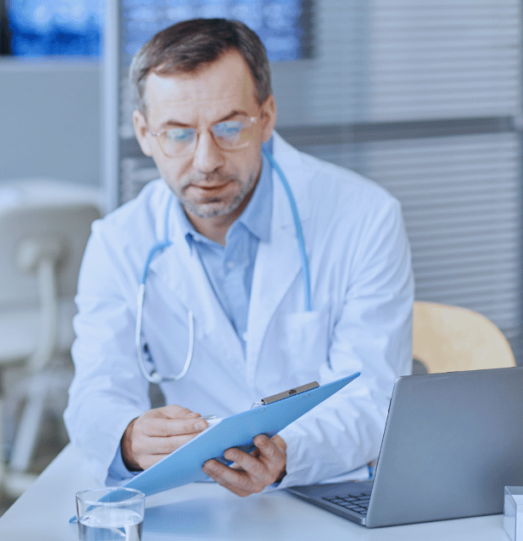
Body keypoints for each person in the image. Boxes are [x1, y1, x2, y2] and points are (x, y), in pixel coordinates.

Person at [64, 19, 413, 496]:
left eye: (229, 128)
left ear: (266, 117)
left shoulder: (365, 217)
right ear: (145, 134)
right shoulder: (119, 241)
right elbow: (95, 394)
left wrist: (287, 454)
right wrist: (127, 439)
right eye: (179, 133)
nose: (207, 160)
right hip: (197, 495)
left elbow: (374, 397)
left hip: (324, 487)